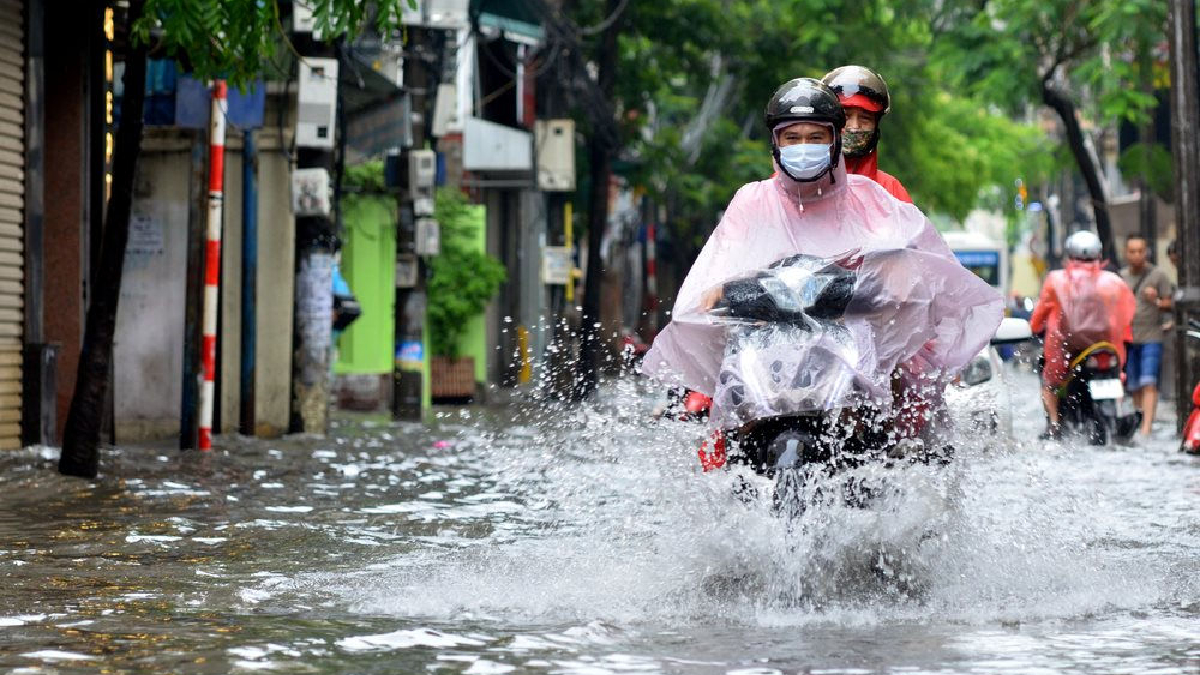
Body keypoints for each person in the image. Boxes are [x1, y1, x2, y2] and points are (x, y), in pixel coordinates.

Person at [641, 78, 1002, 466]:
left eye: (815, 137)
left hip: (853, 359)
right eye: (792, 138)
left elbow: (908, 276)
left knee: (896, 425)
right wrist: (731, 295)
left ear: (834, 140)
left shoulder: (873, 199)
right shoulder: (751, 201)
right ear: (775, 143)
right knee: (726, 436)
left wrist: (880, 290)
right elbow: (712, 284)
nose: (803, 147)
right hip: (767, 357)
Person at [1029, 231, 1136, 440]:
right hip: (1105, 348)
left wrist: (1033, 328)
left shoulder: (1055, 280)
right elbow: (1125, 315)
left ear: (1070, 254)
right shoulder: (1113, 282)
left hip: (1067, 349)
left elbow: (1040, 315)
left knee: (1050, 384)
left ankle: (1054, 424)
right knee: (1120, 377)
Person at [821, 65, 912, 203]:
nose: (854, 127)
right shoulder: (796, 184)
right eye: (845, 116)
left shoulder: (891, 191)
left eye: (865, 118)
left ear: (876, 126)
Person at [1120, 235, 1174, 437]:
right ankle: (1139, 418)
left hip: (1152, 336)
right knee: (1134, 384)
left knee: (1149, 382)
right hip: (1129, 338)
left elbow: (1170, 303)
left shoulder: (1158, 275)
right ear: (1126, 253)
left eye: (1140, 251)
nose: (1136, 255)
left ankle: (1146, 427)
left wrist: (1157, 300)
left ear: (1146, 252)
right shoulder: (1121, 277)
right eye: (1132, 251)